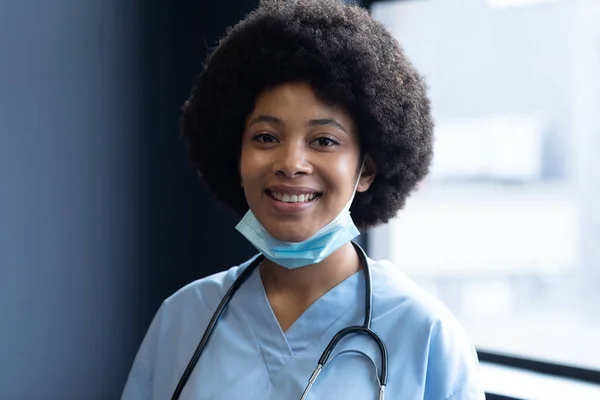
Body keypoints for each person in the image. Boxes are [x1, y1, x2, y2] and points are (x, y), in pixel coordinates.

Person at [121, 0, 485, 399]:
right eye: (265, 137)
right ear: (235, 156)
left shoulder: (426, 334)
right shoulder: (183, 318)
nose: (291, 163)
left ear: (366, 170)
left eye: (324, 141)